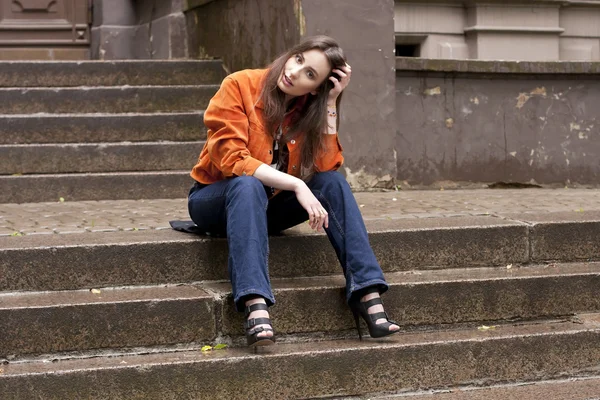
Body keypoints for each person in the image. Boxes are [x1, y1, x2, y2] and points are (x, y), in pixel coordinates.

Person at [187, 35, 399, 347]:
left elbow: (327, 167)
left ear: (315, 87)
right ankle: (254, 302)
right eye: (299, 60)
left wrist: (329, 103)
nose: (296, 72)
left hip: (267, 207)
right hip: (215, 200)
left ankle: (367, 291)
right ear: (292, 55)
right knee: (247, 185)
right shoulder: (240, 85)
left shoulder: (307, 109)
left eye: (311, 75)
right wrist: (297, 184)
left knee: (333, 183)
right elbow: (232, 159)